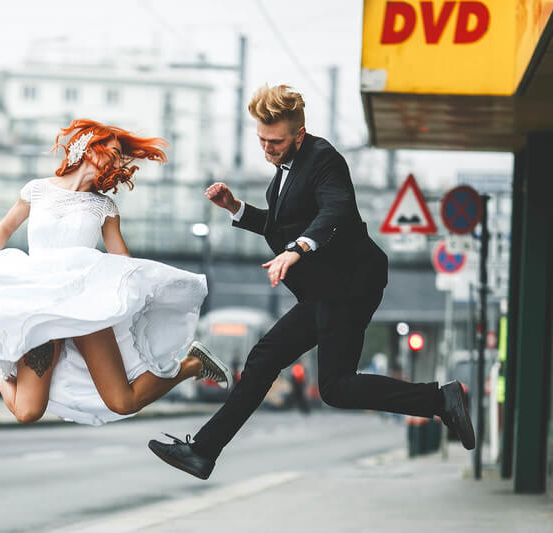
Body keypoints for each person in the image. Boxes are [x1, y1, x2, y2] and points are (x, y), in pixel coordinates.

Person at [148, 84, 475, 479]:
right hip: (325, 290)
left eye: (276, 141)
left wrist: (297, 249)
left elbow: (334, 211)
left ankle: (440, 398)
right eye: (262, 141)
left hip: (349, 286)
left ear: (299, 135)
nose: (267, 149)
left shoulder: (324, 160)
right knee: (264, 359)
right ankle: (202, 452)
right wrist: (235, 208)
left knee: (335, 387)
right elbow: (279, 223)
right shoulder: (285, 171)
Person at [0, 119, 231, 426]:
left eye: (120, 156)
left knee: (122, 402)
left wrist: (142, 292)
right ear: (89, 148)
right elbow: (6, 227)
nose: (117, 160)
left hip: (86, 308)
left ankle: (192, 364)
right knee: (28, 412)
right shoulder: (37, 190)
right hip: (40, 309)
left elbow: (122, 260)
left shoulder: (104, 207)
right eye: (113, 151)